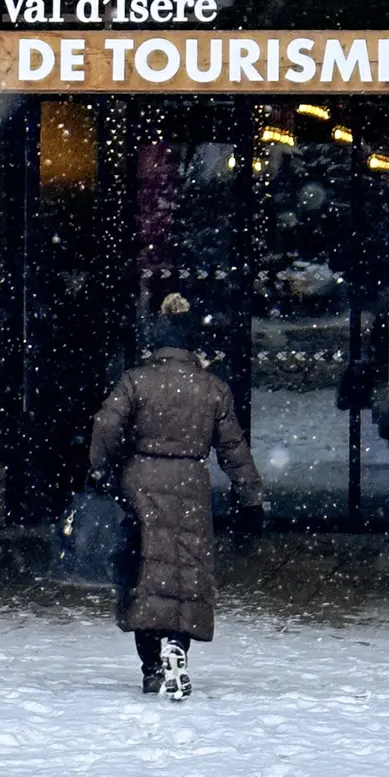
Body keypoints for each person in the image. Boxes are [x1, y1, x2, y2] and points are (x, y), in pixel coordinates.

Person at [88, 293, 264, 700]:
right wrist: (250, 496)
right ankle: (176, 648)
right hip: (190, 483)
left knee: (144, 574)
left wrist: (102, 470)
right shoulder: (212, 388)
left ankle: (151, 666)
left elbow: (105, 426)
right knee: (186, 570)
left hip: (141, 481)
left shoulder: (136, 381)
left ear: (157, 344)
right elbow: (234, 448)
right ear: (191, 347)